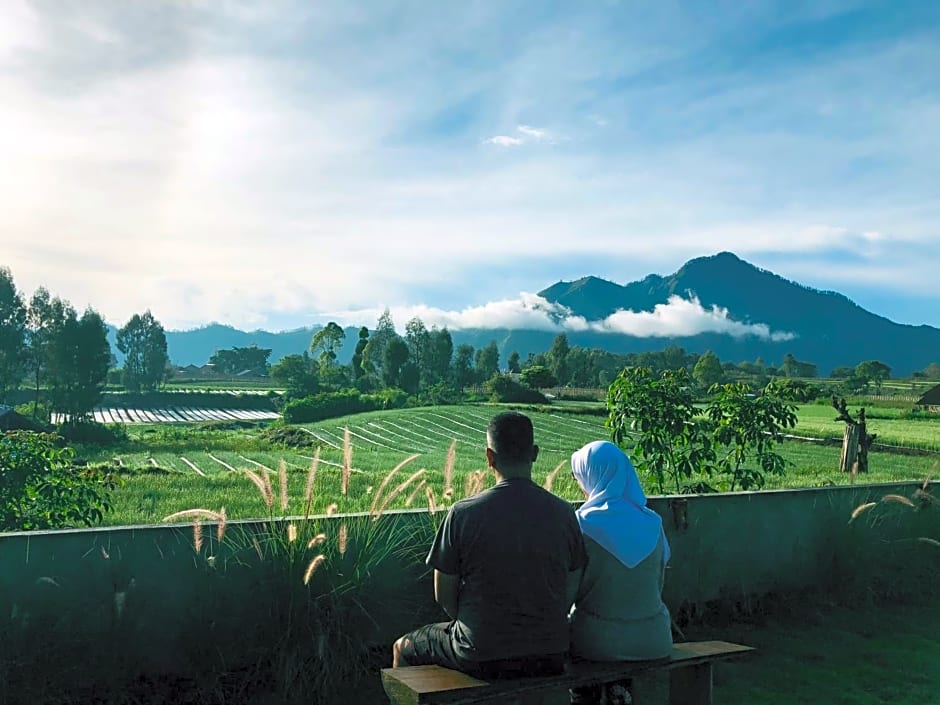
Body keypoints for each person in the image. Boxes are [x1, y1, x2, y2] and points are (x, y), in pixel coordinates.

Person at [392, 411, 587, 678]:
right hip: (550, 653)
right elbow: (571, 587)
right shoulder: (565, 513)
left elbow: (443, 594)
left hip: (480, 653)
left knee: (402, 648)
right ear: (535, 453)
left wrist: (474, 625)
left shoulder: (463, 514)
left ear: (489, 457)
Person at [568, 441, 673, 705]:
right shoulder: (653, 522)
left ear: (594, 475)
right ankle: (620, 697)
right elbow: (658, 585)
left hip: (595, 641)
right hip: (655, 639)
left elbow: (568, 592)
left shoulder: (582, 524)